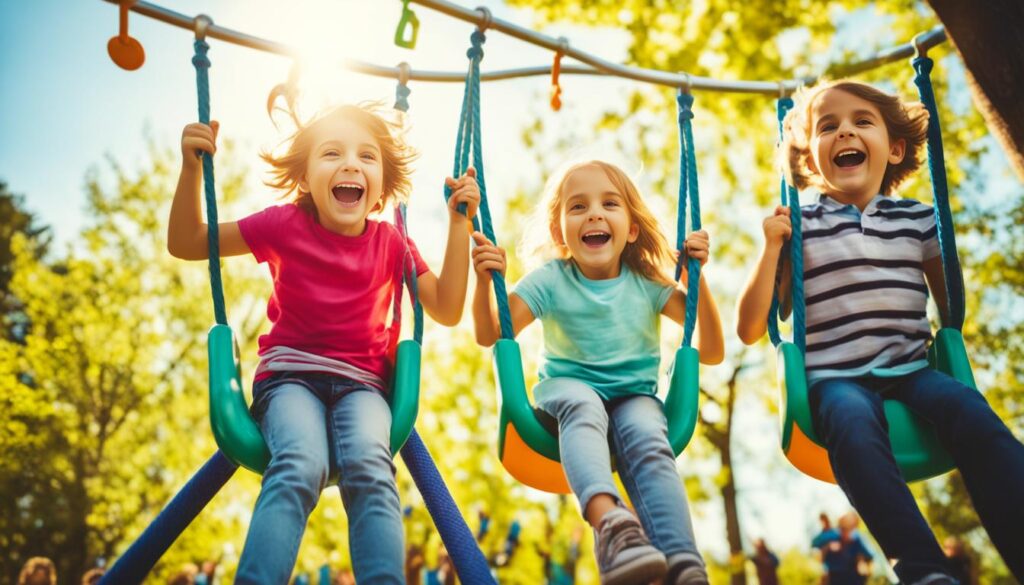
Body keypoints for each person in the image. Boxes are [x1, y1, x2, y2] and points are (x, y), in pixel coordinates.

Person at [168, 101, 481, 584]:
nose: (350, 164)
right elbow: (189, 241)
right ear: (307, 178)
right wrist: (192, 168)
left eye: (366, 157)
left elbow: (446, 305)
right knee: (299, 463)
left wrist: (459, 223)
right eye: (331, 153)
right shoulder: (283, 225)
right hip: (289, 381)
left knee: (372, 468)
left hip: (363, 390)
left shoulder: (392, 244)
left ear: (380, 190)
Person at [735, 79, 1024, 584]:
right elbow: (749, 327)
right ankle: (923, 570)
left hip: (912, 370)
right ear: (809, 158)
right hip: (834, 381)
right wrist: (771, 248)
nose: (844, 132)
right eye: (828, 127)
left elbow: (950, 308)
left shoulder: (917, 220)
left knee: (969, 411)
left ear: (893, 148)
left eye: (860, 122)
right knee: (849, 418)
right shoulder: (798, 225)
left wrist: (943, 242)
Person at [472, 160, 724, 585]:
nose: (594, 214)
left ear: (630, 229)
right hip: (568, 393)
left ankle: (683, 561)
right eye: (578, 206)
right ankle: (611, 524)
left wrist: (697, 282)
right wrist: (484, 282)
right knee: (584, 404)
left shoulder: (648, 282)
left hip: (633, 398)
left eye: (610, 203)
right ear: (559, 234)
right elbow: (491, 332)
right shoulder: (550, 279)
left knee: (648, 436)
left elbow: (712, 350)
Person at [811, 513, 873, 585]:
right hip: (833, 575)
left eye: (849, 528)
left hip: (853, 575)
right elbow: (815, 547)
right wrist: (828, 546)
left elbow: (870, 556)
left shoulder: (857, 539)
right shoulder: (830, 536)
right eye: (843, 528)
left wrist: (864, 566)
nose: (845, 532)